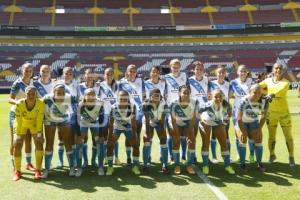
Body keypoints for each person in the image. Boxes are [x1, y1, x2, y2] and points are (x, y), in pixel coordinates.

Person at [259, 63, 295, 167]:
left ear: (283, 70)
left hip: (284, 114)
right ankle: (272, 155)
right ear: (273, 70)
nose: (278, 70)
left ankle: (291, 156)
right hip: (271, 114)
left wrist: (271, 94)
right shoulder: (267, 81)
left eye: (280, 68)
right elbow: (258, 87)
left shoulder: (286, 82)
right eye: (276, 68)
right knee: (271, 137)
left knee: (288, 137)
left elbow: (280, 91)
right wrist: (262, 92)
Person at [42, 84, 76, 178]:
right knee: (49, 143)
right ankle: (46, 169)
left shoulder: (70, 97)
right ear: (53, 92)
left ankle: (72, 167)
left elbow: (81, 101)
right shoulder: (46, 99)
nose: (61, 95)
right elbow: (40, 111)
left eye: (63, 93)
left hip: (63, 119)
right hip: (49, 120)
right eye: (58, 93)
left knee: (67, 143)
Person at [12, 86, 45, 181]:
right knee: (17, 144)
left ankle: (38, 170)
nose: (30, 96)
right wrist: (18, 135)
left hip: (34, 123)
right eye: (28, 94)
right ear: (25, 94)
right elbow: (18, 121)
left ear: (36, 94)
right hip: (21, 123)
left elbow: (39, 120)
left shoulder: (41, 103)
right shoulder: (19, 104)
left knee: (39, 142)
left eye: (33, 94)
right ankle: (17, 171)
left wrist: (39, 134)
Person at [199, 90, 235, 175]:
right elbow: (197, 112)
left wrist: (224, 123)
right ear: (211, 96)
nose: (218, 98)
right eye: (215, 96)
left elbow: (229, 115)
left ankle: (227, 166)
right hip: (206, 122)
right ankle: (205, 166)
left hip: (218, 122)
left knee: (224, 143)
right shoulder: (207, 105)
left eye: (220, 96)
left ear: (223, 96)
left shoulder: (227, 105)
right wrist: (202, 119)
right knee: (206, 143)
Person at [106, 91, 140, 175]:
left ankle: (135, 166)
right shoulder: (113, 107)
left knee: (136, 145)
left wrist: (135, 136)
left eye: (125, 98)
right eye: (121, 98)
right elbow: (110, 123)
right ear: (118, 98)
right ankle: (110, 167)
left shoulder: (132, 107)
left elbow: (133, 123)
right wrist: (109, 136)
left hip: (128, 127)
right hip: (117, 127)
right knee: (110, 145)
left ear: (128, 98)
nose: (123, 100)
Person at [9, 62, 35, 171]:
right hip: (16, 114)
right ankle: (14, 163)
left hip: (29, 115)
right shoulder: (17, 83)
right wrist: (18, 103)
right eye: (26, 70)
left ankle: (28, 163)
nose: (28, 73)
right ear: (22, 71)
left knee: (28, 141)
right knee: (15, 141)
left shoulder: (34, 83)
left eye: (30, 71)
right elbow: (10, 99)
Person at [237, 84, 269, 172]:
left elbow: (263, 116)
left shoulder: (264, 101)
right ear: (250, 92)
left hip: (254, 122)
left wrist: (259, 129)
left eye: (259, 93)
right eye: (255, 92)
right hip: (242, 121)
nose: (257, 95)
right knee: (243, 140)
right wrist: (243, 131)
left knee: (259, 140)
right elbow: (239, 118)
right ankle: (242, 164)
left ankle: (259, 163)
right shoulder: (244, 100)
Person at [118, 64, 145, 165]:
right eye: (130, 71)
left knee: (137, 135)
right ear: (126, 72)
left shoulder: (140, 81)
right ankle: (129, 158)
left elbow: (144, 94)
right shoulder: (121, 83)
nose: (132, 73)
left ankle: (136, 158)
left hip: (139, 112)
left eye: (134, 71)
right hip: (126, 112)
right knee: (128, 135)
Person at [76, 88, 105, 176]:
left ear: (95, 96)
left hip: (94, 123)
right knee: (80, 142)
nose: (90, 96)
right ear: (84, 96)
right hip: (83, 123)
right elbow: (77, 120)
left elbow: (101, 119)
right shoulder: (81, 105)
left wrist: (100, 134)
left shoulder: (99, 104)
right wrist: (78, 135)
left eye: (92, 94)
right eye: (88, 94)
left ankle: (99, 165)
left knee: (99, 142)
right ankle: (80, 166)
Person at [170, 85, 197, 175]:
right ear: (179, 93)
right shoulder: (174, 103)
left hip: (187, 123)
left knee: (192, 141)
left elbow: (193, 119)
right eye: (184, 93)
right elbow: (173, 120)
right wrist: (177, 133)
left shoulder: (194, 102)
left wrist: (189, 132)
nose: (186, 95)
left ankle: (189, 165)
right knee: (176, 141)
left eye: (188, 93)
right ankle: (177, 165)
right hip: (176, 123)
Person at [164, 59, 188, 161]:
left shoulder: (184, 76)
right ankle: (171, 155)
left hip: (183, 108)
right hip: (170, 108)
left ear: (180, 67)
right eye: (174, 66)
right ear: (170, 67)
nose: (175, 68)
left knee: (183, 133)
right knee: (171, 132)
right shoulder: (165, 77)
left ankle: (183, 154)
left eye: (177, 66)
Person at [229, 65, 254, 162]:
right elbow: (229, 95)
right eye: (241, 71)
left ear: (247, 72)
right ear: (237, 72)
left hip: (249, 111)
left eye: (244, 71)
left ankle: (251, 155)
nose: (243, 73)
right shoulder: (233, 82)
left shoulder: (251, 81)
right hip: (237, 112)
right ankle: (239, 155)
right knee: (237, 134)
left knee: (251, 135)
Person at [56, 67, 79, 168]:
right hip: (61, 113)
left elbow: (78, 98)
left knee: (72, 138)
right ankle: (60, 161)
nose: (68, 75)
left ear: (73, 75)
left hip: (73, 114)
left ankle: (73, 161)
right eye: (66, 73)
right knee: (61, 138)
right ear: (63, 74)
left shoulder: (76, 84)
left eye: (70, 73)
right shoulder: (58, 84)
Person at [142, 88, 169, 174]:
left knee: (164, 140)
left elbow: (162, 120)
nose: (157, 97)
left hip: (159, 122)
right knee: (147, 140)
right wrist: (146, 133)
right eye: (155, 95)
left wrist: (163, 132)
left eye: (158, 95)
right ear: (150, 97)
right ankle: (145, 165)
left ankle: (164, 164)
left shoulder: (164, 105)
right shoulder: (145, 105)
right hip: (148, 121)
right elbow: (146, 120)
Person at [144, 66, 167, 163]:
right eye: (153, 72)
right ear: (150, 73)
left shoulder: (163, 82)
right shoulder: (144, 83)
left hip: (160, 110)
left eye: (156, 72)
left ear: (159, 73)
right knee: (148, 136)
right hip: (149, 110)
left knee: (162, 135)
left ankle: (163, 157)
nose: (154, 73)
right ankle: (148, 156)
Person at [78, 68, 100, 167]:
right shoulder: (79, 86)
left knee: (96, 139)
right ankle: (85, 161)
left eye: (91, 74)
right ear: (84, 76)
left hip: (95, 117)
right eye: (88, 74)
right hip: (84, 116)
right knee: (84, 139)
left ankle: (93, 160)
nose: (90, 76)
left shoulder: (99, 86)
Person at [99, 68, 121, 165]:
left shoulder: (118, 85)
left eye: (111, 74)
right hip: (104, 114)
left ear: (113, 75)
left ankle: (116, 157)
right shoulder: (100, 85)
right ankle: (105, 158)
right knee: (104, 137)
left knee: (114, 137)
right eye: (107, 74)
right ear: (104, 75)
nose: (109, 76)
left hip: (115, 114)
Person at [188, 61, 209, 163]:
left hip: (205, 112)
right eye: (197, 69)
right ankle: (193, 156)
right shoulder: (189, 81)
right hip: (193, 111)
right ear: (193, 70)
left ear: (203, 70)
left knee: (205, 135)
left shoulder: (207, 80)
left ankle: (205, 157)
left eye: (201, 69)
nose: (199, 71)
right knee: (193, 135)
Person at [209, 66, 231, 163]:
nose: (221, 74)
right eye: (219, 73)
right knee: (214, 135)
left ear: (225, 74)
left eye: (223, 73)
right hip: (214, 112)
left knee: (226, 135)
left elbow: (229, 98)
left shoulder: (228, 84)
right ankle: (214, 157)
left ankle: (227, 156)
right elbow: (209, 97)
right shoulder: (211, 84)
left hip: (225, 112)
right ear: (216, 74)